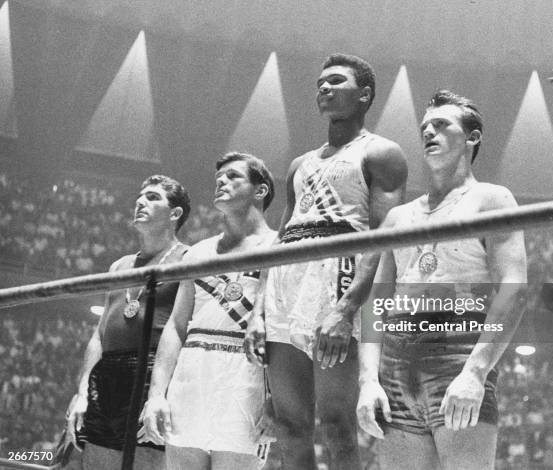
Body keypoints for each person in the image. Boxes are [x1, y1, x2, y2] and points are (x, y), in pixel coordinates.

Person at [244, 53, 408, 469]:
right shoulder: (300, 163)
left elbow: (382, 238)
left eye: (336, 81)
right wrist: (258, 311)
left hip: (337, 278)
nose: (324, 87)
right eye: (320, 82)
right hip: (286, 283)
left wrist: (348, 306)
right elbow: (280, 239)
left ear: (364, 95)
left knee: (336, 423)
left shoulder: (382, 153)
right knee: (289, 425)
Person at [357, 90, 527, 470]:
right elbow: (375, 304)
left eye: (441, 124)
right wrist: (368, 380)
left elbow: (513, 291)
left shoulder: (491, 199)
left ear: (473, 137)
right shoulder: (399, 217)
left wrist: (476, 372)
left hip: (457, 359)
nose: (428, 132)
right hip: (395, 369)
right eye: (424, 127)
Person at [141, 152, 276, 470]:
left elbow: (285, 333)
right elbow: (175, 326)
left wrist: (278, 400)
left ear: (260, 190)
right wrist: (156, 395)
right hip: (191, 377)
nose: (221, 182)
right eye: (219, 178)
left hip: (247, 382)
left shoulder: (279, 246)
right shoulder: (198, 252)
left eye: (233, 177)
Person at [65, 175, 191, 470]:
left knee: (148, 462)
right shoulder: (119, 265)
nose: (140, 201)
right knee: (96, 461)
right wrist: (83, 391)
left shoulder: (189, 258)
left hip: (153, 374)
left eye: (152, 197)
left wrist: (160, 393)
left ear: (175, 214)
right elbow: (99, 335)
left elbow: (183, 328)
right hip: (107, 376)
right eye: (140, 196)